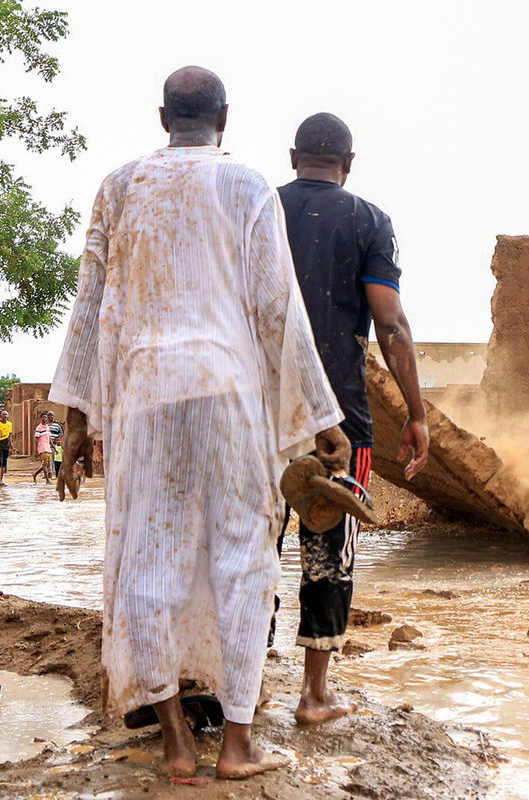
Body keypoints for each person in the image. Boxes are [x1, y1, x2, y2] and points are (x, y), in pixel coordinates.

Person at [48, 67, 346, 781]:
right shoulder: (245, 185)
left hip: (146, 396)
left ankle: (177, 743)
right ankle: (238, 746)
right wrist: (320, 416)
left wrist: (76, 425)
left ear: (162, 119)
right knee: (244, 561)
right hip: (227, 393)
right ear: (224, 119)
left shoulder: (119, 187)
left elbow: (90, 309)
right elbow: (278, 307)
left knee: (148, 566)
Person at [276, 111, 429, 724]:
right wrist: (417, 415)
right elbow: (389, 323)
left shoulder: (258, 210)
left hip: (255, 416)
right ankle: (315, 696)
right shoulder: (368, 221)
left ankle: (243, 689)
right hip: (339, 419)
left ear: (293, 158)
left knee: (247, 547)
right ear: (348, 164)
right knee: (329, 549)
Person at [32, 412, 53, 483]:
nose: (45, 419)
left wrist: (54, 447)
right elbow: (36, 440)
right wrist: (36, 450)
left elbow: (49, 439)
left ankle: (35, 474)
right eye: (43, 417)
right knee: (44, 464)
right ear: (41, 418)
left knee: (45, 465)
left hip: (48, 448)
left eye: (46, 417)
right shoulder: (39, 428)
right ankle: (47, 480)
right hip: (42, 448)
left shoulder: (47, 427)